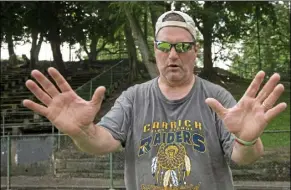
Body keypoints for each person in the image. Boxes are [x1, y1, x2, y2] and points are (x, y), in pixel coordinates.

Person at [23, 10, 287, 190]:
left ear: (195, 50)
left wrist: (248, 139)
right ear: (155, 49)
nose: (173, 54)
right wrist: (82, 133)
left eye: (183, 46)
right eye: (164, 46)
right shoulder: (133, 98)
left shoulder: (216, 97)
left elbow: (244, 157)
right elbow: (102, 142)